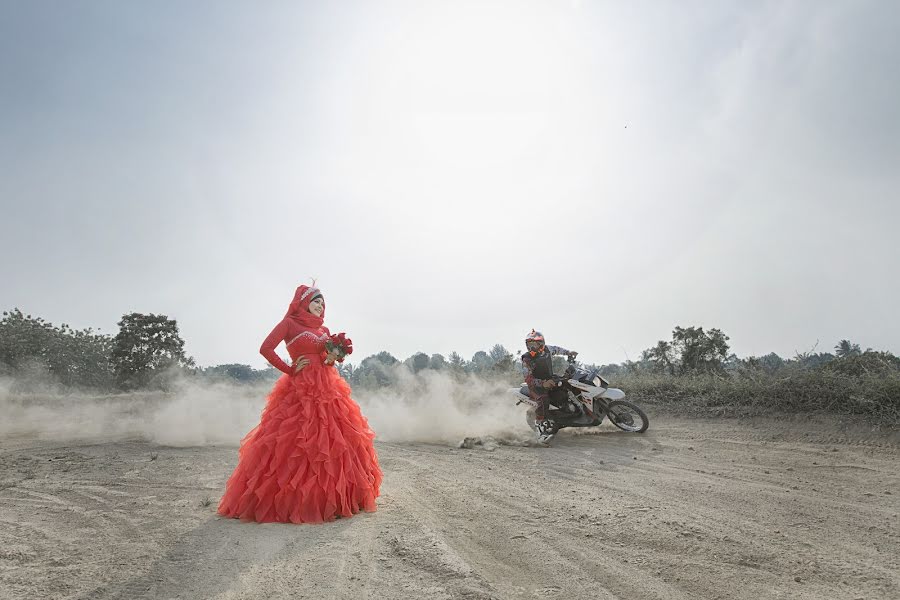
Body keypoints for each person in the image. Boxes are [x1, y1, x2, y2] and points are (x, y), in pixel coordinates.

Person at [218, 284, 382, 523]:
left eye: (323, 303)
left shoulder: (324, 328)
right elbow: (265, 348)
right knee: (296, 440)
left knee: (335, 437)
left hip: (328, 387)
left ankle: (337, 499)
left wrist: (331, 358)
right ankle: (294, 501)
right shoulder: (289, 324)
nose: (321, 306)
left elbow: (325, 360)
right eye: (316, 301)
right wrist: (290, 369)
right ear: (303, 302)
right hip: (300, 388)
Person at [521, 329, 578, 443]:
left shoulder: (547, 349)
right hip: (536, 386)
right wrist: (543, 383)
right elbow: (528, 378)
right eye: (529, 344)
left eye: (534, 344)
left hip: (549, 378)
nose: (531, 347)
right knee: (543, 400)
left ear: (541, 344)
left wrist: (569, 352)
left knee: (567, 382)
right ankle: (540, 432)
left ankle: (572, 409)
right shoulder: (527, 358)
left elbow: (557, 349)